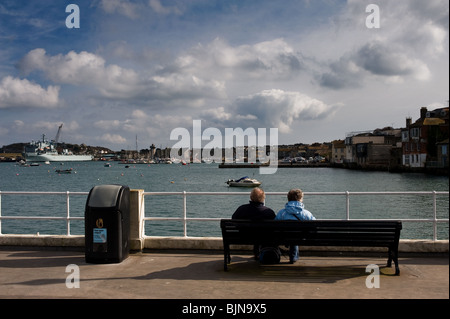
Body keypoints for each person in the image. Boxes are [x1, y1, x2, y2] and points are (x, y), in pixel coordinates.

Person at [232, 188, 277, 262]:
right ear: (263, 198)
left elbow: (233, 220)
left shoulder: (241, 209)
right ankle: (260, 253)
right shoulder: (269, 212)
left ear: (251, 197)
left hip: (243, 237)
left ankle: (257, 253)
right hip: (263, 237)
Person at [275, 188, 315, 263]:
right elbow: (314, 224)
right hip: (300, 237)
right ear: (300, 199)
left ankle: (292, 255)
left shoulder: (281, 213)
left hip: (284, 236)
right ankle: (293, 257)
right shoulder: (306, 214)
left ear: (288, 199)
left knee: (291, 234)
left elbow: (275, 225)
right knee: (295, 235)